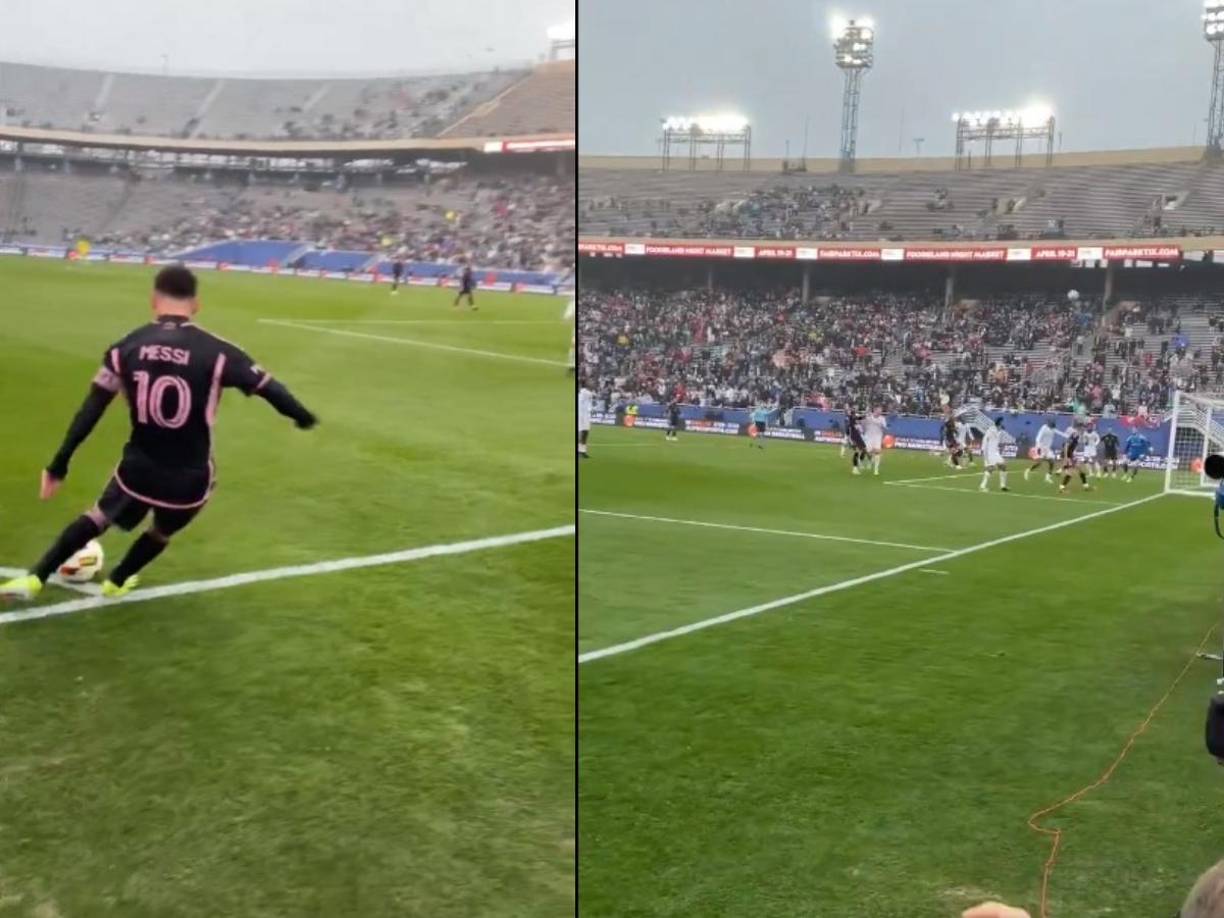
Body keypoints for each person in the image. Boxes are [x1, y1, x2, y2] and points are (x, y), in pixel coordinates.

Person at [0, 266, 317, 601]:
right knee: (162, 530)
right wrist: (303, 417)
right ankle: (118, 581)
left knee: (99, 516)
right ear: (196, 304)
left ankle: (35, 578)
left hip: (138, 468)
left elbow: (91, 410)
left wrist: (58, 465)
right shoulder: (221, 352)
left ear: (154, 300)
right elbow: (272, 390)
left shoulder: (126, 348)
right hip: (189, 477)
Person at [1058, 422, 1091, 493]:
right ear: (1079, 428)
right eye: (1082, 428)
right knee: (1070, 473)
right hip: (1067, 455)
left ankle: (1086, 487)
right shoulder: (1074, 435)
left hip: (1071, 455)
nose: (1083, 430)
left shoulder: (1079, 436)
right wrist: (1067, 457)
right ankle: (1061, 488)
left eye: (1084, 428)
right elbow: (1066, 445)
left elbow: (1075, 447)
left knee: (1080, 471)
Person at [979, 416, 1010, 492]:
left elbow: (996, 442)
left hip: (995, 452)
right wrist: (983, 450)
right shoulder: (991, 430)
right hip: (989, 452)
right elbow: (985, 440)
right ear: (999, 423)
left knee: (1003, 466)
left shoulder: (998, 431)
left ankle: (1002, 486)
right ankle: (982, 486)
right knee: (991, 468)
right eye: (1002, 422)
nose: (1003, 424)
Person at [1025, 418, 1060, 483]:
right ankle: (1028, 471)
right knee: (1039, 463)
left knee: (1052, 462)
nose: (1053, 426)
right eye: (1052, 424)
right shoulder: (1044, 428)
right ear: (1049, 423)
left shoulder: (1053, 429)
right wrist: (1038, 447)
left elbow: (1057, 434)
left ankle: (1047, 477)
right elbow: (1038, 437)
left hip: (1047, 448)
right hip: (1041, 447)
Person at [861, 406, 887, 476]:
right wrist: (863, 430)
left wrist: (883, 430)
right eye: (879, 410)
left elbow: (884, 428)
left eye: (881, 410)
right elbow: (863, 423)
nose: (880, 412)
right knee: (868, 451)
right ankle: (870, 460)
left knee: (877, 452)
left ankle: (876, 470)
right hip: (869, 436)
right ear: (875, 410)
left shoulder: (882, 419)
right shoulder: (869, 417)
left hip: (877, 437)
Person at [846, 407, 868, 475]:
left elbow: (860, 417)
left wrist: (866, 413)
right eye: (854, 411)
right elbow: (848, 432)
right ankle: (855, 468)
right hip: (853, 438)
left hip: (858, 437)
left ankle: (860, 462)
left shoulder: (854, 419)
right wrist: (850, 440)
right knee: (857, 452)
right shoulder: (851, 421)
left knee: (864, 449)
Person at [578, 378, 592, 459]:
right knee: (584, 433)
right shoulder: (587, 393)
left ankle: (581, 450)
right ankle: (581, 450)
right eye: (589, 382)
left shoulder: (582, 392)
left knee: (584, 432)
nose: (591, 383)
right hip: (583, 415)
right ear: (586, 384)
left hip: (584, 414)